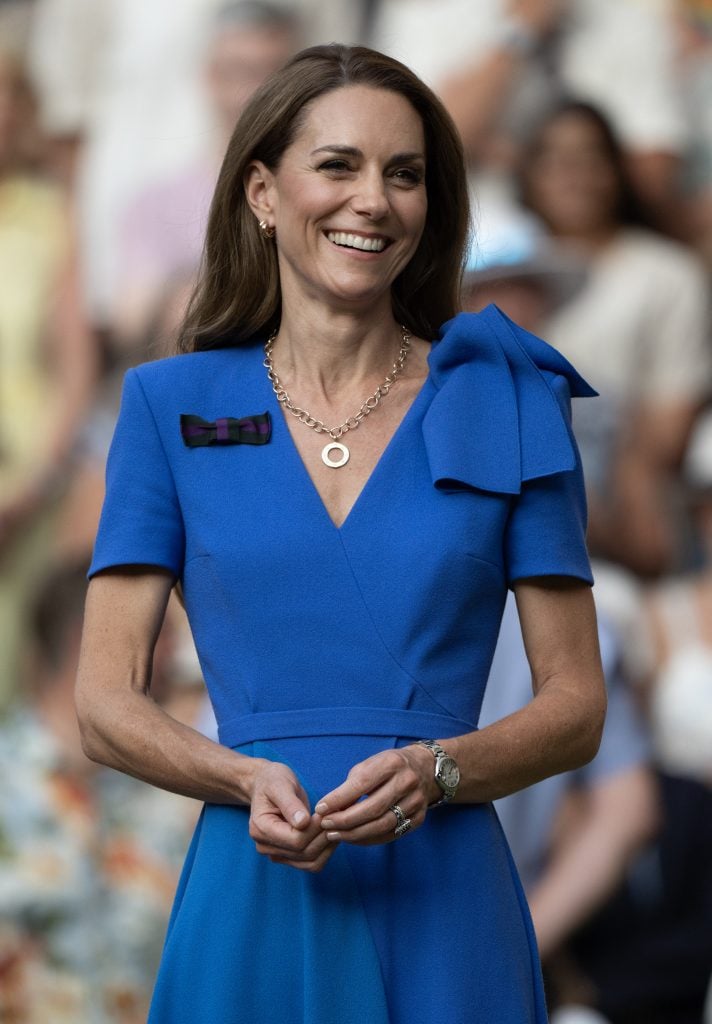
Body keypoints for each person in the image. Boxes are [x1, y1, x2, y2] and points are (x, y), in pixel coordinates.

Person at [75, 44, 606, 1022]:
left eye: (404, 175)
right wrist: (236, 774)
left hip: (445, 897)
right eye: (339, 165)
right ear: (264, 193)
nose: (373, 200)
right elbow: (104, 701)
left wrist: (440, 769)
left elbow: (575, 702)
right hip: (253, 887)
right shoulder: (168, 404)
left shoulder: (508, 393)